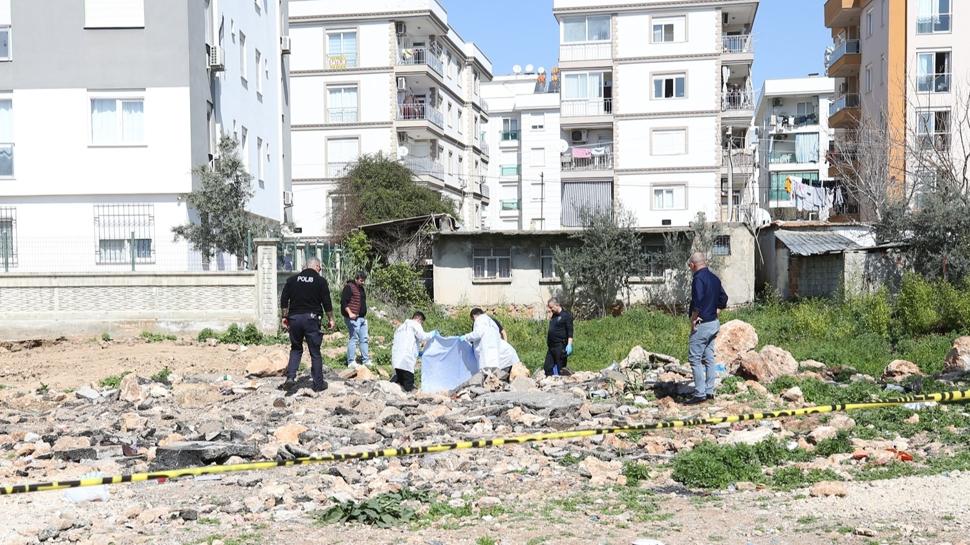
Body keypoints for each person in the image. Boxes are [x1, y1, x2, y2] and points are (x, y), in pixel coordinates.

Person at [279, 257, 335, 393]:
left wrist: (284, 316)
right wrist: (331, 319)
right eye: (320, 266)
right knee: (315, 352)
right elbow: (326, 302)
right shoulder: (320, 281)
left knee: (296, 349)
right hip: (312, 319)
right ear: (315, 266)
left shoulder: (292, 280)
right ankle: (318, 384)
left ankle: (290, 378)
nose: (320, 269)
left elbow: (284, 299)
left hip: (295, 319)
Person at [684, 252, 729, 405]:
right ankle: (709, 391)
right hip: (714, 323)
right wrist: (718, 308)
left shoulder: (698, 279)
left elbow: (698, 299)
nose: (690, 268)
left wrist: (694, 319)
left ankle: (699, 394)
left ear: (693, 264)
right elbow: (724, 298)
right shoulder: (714, 278)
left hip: (702, 324)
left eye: (690, 265)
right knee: (709, 358)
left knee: (694, 359)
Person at [390, 311, 437, 392]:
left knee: (399, 377)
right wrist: (432, 334)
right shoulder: (415, 324)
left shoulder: (401, 327)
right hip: (406, 358)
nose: (421, 324)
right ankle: (409, 396)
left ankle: (390, 388)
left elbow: (406, 340)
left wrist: (417, 352)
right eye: (422, 322)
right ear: (418, 318)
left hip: (397, 357)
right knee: (408, 382)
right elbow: (423, 336)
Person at [340, 271, 371, 367]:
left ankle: (366, 361)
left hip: (361, 318)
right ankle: (351, 361)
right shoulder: (349, 287)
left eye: (364, 280)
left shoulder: (361, 288)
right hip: (353, 318)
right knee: (354, 338)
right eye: (361, 280)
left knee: (364, 339)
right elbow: (343, 302)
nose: (363, 282)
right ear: (356, 278)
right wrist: (350, 313)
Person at [544, 297, 574, 376]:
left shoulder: (566, 315)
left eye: (551, 307)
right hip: (551, 347)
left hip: (560, 346)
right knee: (547, 368)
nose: (550, 309)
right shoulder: (554, 316)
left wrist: (569, 344)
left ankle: (563, 385)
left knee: (561, 369)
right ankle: (549, 385)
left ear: (557, 305)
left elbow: (570, 331)